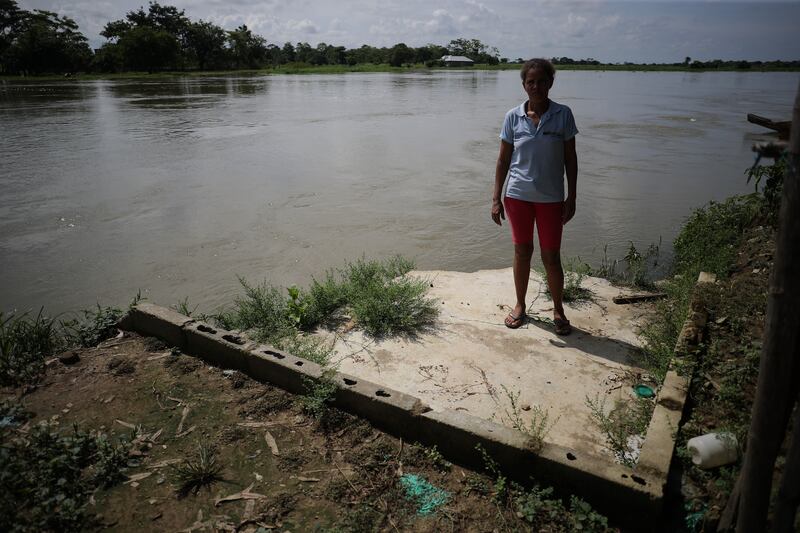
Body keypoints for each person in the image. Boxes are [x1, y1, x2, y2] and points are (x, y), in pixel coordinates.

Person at [491, 58, 578, 335]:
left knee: (551, 256)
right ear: (524, 85)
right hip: (517, 196)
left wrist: (572, 196)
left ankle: (559, 309)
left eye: (542, 81)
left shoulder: (563, 115)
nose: (536, 86)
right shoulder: (512, 117)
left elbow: (570, 159)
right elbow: (503, 161)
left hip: (552, 198)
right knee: (522, 251)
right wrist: (496, 198)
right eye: (531, 82)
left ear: (550, 83)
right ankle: (519, 305)